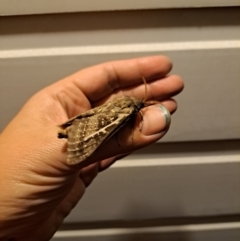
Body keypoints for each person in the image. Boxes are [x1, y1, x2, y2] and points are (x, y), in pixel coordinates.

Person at [0, 56, 184, 240]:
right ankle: (71, 135)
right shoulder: (128, 111)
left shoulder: (126, 103)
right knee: (96, 134)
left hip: (90, 120)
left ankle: (70, 131)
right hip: (92, 131)